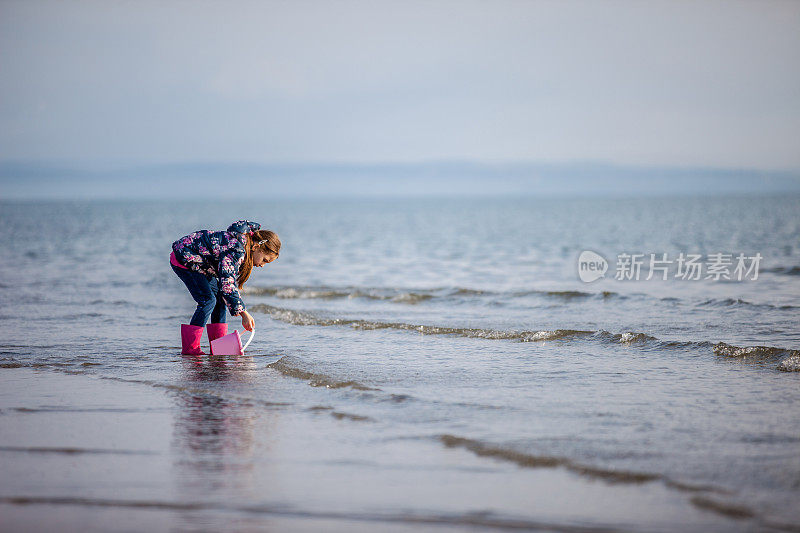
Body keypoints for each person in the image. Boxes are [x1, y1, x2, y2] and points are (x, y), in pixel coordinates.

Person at [170, 220, 280, 355]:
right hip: (185, 258)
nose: (263, 265)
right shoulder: (236, 250)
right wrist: (243, 313)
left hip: (201, 265)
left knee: (220, 299)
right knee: (208, 300)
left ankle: (218, 348)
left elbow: (226, 285)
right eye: (265, 260)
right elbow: (228, 284)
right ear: (257, 247)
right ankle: (190, 349)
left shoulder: (243, 247)